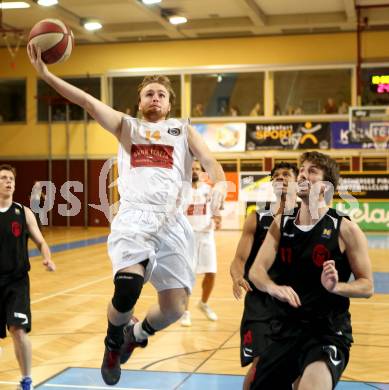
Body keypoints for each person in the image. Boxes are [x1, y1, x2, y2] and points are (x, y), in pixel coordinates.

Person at [28, 45, 226, 386]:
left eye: (161, 94)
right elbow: (87, 102)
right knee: (128, 286)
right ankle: (112, 343)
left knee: (176, 308)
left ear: (168, 104)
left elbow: (210, 161)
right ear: (140, 102)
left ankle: (136, 333)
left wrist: (220, 181)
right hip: (135, 217)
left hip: (173, 223)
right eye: (149, 93)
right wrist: (47, 76)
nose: (155, 97)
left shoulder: (183, 130)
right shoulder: (126, 127)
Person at [248, 151, 374, 389]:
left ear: (326, 186)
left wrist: (337, 287)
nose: (303, 174)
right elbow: (256, 272)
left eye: (312, 171)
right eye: (302, 169)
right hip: (285, 329)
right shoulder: (282, 221)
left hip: (326, 331)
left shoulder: (345, 229)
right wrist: (273, 288)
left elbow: (367, 285)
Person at [230, 162, 298, 390]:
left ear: (298, 182)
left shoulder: (308, 219)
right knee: (261, 365)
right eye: (276, 175)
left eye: (287, 174)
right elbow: (239, 259)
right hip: (260, 303)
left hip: (292, 302)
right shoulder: (256, 217)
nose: (281, 178)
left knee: (296, 368)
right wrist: (237, 276)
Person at [0, 164, 56, 390]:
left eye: (11, 178)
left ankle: (26, 380)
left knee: (18, 329)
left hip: (17, 281)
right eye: (3, 178)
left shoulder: (23, 212)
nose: (8, 181)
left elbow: (41, 241)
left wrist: (47, 258)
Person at [181, 160, 222, 327]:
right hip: (187, 238)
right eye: (191, 169)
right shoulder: (181, 191)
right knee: (187, 276)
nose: (194, 171)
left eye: (197, 168)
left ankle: (203, 303)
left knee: (211, 273)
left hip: (206, 235)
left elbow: (216, 212)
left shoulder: (209, 190)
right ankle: (185, 311)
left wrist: (217, 221)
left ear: (202, 171)